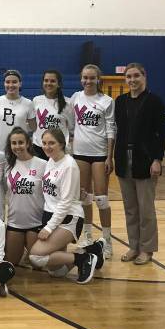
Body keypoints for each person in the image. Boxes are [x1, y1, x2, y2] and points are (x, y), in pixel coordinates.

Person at [29, 128, 105, 284]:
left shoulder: (69, 165)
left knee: (36, 257)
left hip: (69, 217)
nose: (47, 147)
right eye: (44, 143)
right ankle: (93, 250)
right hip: (51, 215)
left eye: (52, 143)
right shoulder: (51, 161)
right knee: (57, 272)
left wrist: (48, 228)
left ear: (62, 144)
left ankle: (84, 258)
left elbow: (65, 202)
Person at [114, 63, 165, 265]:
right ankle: (134, 246)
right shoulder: (120, 101)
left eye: (136, 76)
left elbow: (160, 134)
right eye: (129, 76)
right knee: (130, 208)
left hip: (145, 160)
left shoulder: (155, 102)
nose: (132, 80)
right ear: (125, 79)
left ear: (144, 76)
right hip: (123, 159)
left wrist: (157, 159)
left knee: (146, 209)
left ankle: (147, 249)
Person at [70, 64, 115, 258]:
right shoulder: (75, 98)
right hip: (80, 153)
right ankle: (88, 235)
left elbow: (111, 129)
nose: (88, 81)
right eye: (85, 78)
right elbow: (71, 125)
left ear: (98, 79)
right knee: (84, 197)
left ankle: (107, 239)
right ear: (81, 79)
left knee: (102, 199)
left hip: (99, 154)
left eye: (92, 78)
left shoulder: (106, 101)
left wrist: (109, 156)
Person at [4, 127, 46, 265]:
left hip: (36, 223)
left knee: (38, 264)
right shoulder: (8, 165)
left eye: (20, 142)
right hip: (14, 222)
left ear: (28, 143)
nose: (17, 146)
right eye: (14, 143)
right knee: (11, 263)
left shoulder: (42, 165)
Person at [32, 70, 74, 160]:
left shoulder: (68, 103)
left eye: (52, 81)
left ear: (58, 84)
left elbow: (71, 128)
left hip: (58, 149)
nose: (49, 83)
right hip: (39, 148)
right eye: (46, 80)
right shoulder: (36, 100)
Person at [0, 70, 36, 151]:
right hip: (0, 145)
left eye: (14, 82)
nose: (11, 85)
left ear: (20, 84)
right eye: (7, 82)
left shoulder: (28, 103)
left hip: (20, 146)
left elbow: (34, 127)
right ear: (4, 83)